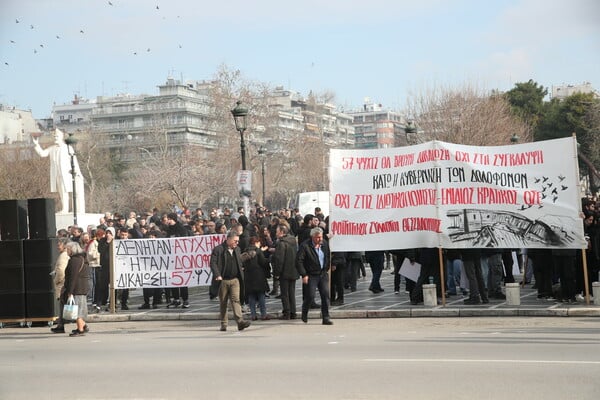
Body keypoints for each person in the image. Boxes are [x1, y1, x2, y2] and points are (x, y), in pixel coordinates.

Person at [32, 128, 85, 214]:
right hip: (57, 173)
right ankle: (65, 208)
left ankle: (75, 209)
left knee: (72, 190)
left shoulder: (67, 147)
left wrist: (77, 172)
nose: (55, 137)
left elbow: (73, 160)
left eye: (57, 136)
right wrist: (36, 144)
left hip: (68, 173)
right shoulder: (52, 148)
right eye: (54, 136)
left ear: (61, 137)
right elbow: (42, 154)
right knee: (62, 191)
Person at [210, 230, 252, 332]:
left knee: (235, 300)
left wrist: (246, 258)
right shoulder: (218, 250)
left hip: (235, 280)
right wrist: (217, 275)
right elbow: (213, 263)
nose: (237, 243)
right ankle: (224, 324)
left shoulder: (237, 249)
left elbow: (239, 260)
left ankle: (240, 322)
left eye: (238, 241)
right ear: (228, 239)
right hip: (223, 280)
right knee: (223, 302)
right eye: (235, 241)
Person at [297, 227, 333, 325]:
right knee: (310, 296)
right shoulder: (305, 246)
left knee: (325, 295)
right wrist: (304, 274)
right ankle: (304, 311)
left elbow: (327, 255)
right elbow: (299, 261)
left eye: (320, 237)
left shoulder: (324, 244)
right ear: (312, 237)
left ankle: (326, 317)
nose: (320, 239)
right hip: (311, 274)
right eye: (317, 238)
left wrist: (327, 267)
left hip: (322, 273)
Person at [62, 241, 90, 336]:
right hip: (82, 287)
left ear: (72, 249)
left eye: (68, 249)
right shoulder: (81, 258)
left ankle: (80, 329)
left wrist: (70, 291)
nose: (67, 251)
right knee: (79, 308)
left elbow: (73, 276)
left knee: (76, 309)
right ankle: (83, 325)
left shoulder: (75, 260)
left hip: (77, 288)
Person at [271, 224, 300, 319]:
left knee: (285, 294)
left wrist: (276, 274)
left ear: (282, 232)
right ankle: (293, 312)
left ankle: (287, 313)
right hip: (293, 270)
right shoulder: (293, 241)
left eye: (277, 231)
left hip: (284, 271)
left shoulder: (281, 243)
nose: (276, 233)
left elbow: (280, 260)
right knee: (291, 292)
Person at [243, 236, 271, 321]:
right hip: (258, 276)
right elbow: (263, 262)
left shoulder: (245, 251)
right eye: (259, 242)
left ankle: (253, 315)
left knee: (251, 296)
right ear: (256, 243)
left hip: (248, 276)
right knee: (261, 295)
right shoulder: (258, 251)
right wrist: (269, 259)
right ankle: (263, 314)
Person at [50, 237, 70, 333]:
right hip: (63, 283)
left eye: (59, 245)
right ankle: (60, 324)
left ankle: (61, 325)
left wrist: (56, 280)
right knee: (62, 305)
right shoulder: (64, 255)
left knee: (62, 305)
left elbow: (61, 271)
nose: (58, 247)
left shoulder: (63, 256)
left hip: (61, 284)